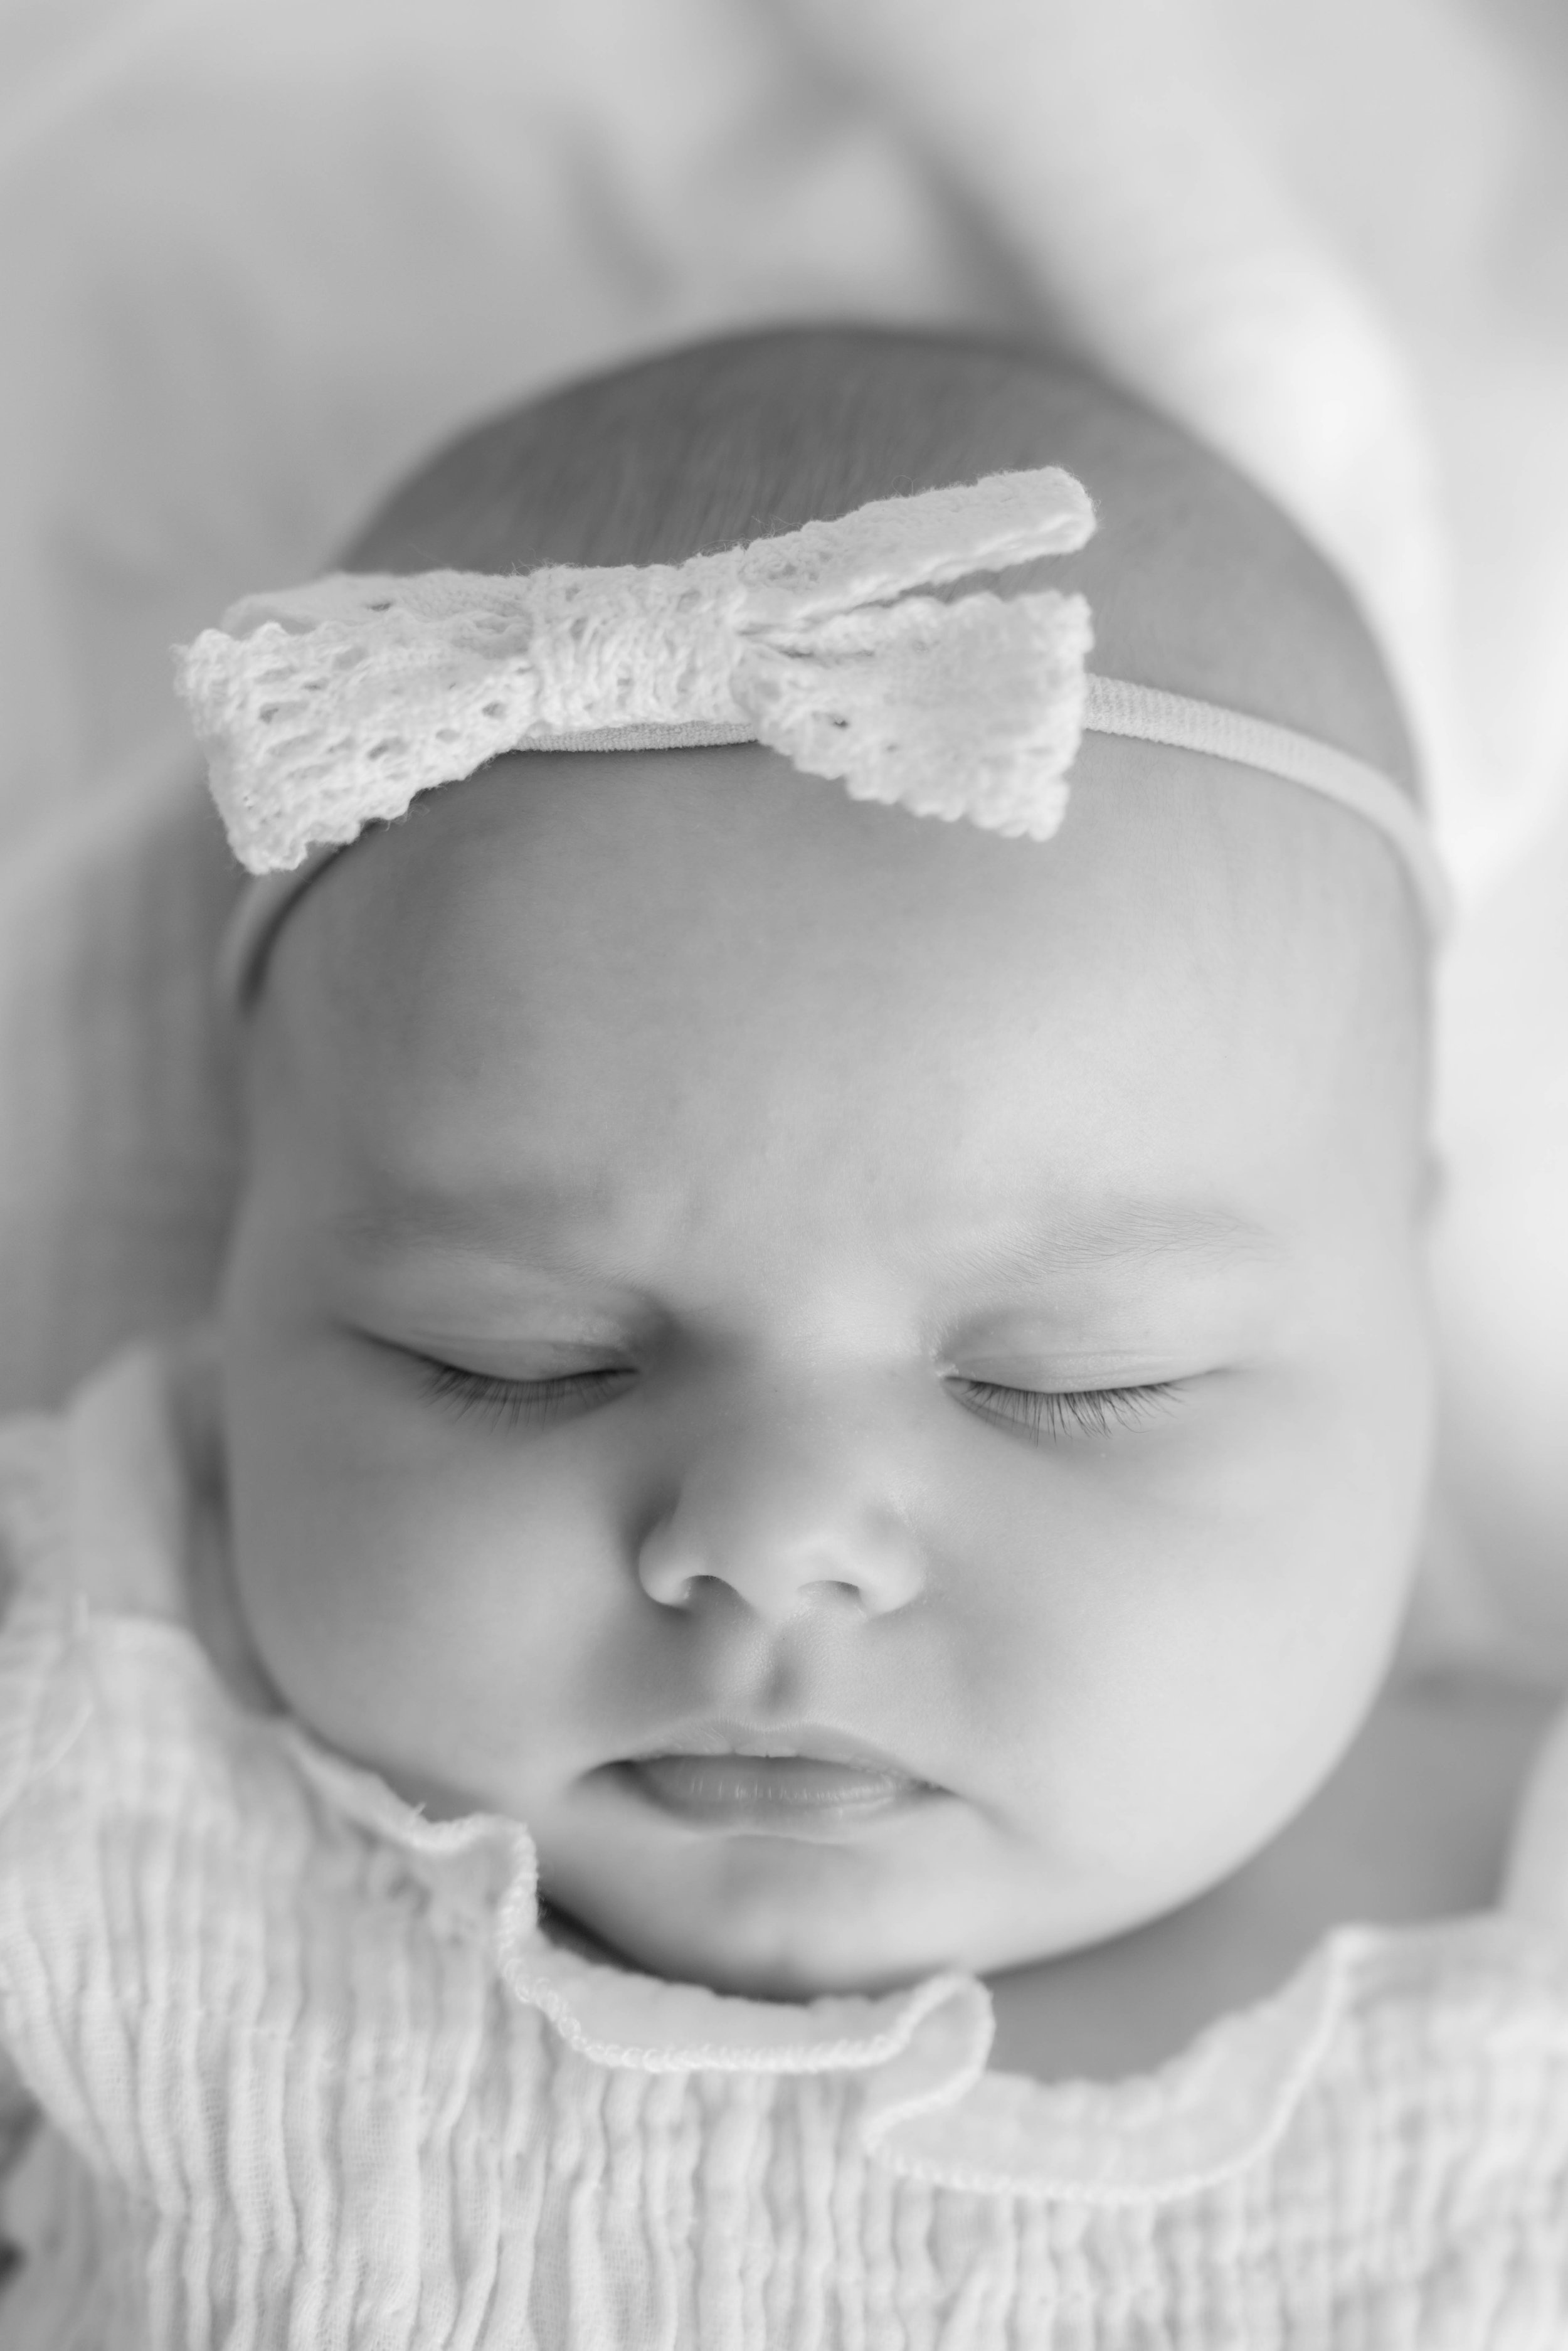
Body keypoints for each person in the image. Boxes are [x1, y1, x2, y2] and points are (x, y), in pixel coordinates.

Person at [1, 323, 1563, 2347]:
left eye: (1065, 1379)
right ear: (247, 1257)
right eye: (512, 1356)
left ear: (1404, 1297)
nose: (771, 1532)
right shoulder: (97, 1746)